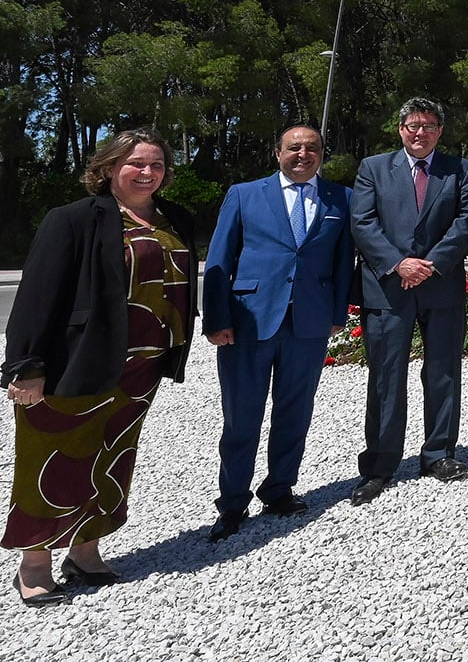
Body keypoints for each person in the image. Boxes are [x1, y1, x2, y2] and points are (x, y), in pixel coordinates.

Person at [3, 129, 196, 604]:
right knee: (52, 459)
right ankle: (33, 563)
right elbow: (37, 296)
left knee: (112, 458)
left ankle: (85, 552)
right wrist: (26, 365)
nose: (147, 172)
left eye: (156, 164)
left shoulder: (176, 219)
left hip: (142, 368)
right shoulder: (73, 219)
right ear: (109, 167)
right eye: (135, 163)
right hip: (79, 361)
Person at [203, 123, 355, 542]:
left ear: (322, 153)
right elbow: (220, 257)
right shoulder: (244, 194)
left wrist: (338, 311)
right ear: (277, 153)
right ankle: (233, 502)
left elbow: (344, 261)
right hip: (249, 321)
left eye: (311, 148)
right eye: (294, 147)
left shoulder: (339, 198)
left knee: (295, 411)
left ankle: (279, 488)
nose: (303, 154)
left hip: (308, 323)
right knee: (241, 416)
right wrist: (216, 319)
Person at [348, 97, 468, 503]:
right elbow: (362, 221)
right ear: (400, 129)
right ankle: (381, 464)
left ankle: (439, 453)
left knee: (443, 373)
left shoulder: (460, 170)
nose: (419, 132)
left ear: (440, 131)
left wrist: (431, 263)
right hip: (388, 288)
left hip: (440, 286)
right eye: (412, 125)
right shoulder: (373, 168)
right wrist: (399, 263)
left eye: (428, 125)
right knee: (386, 378)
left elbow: (466, 219)